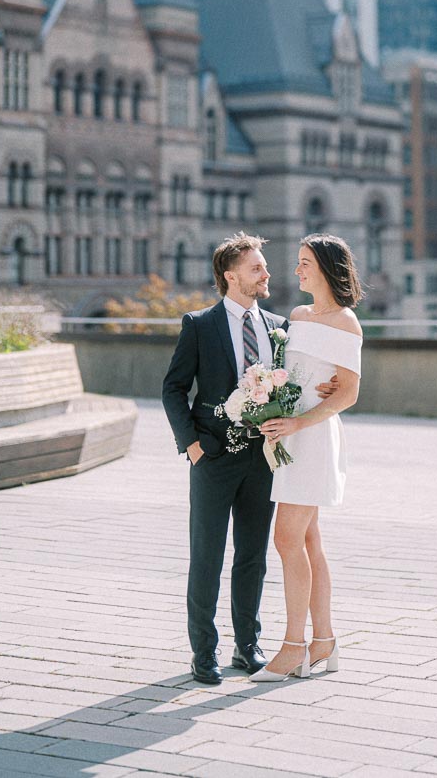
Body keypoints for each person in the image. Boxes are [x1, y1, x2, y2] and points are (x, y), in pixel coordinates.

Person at [162, 231, 336, 685]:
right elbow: (173, 388)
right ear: (231, 275)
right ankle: (204, 653)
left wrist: (326, 389)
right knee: (207, 557)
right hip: (213, 458)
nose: (267, 274)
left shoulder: (282, 326)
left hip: (263, 460)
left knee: (253, 557)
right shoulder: (199, 325)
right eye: (257, 267)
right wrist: (192, 445)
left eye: (264, 266)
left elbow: (300, 378)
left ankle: (247, 646)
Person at [251, 232, 363, 682]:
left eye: (303, 262)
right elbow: (293, 374)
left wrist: (298, 422)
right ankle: (324, 642)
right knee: (308, 541)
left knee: (286, 540)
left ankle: (293, 647)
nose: (296, 269)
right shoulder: (297, 315)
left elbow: (350, 393)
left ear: (326, 268)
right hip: (289, 434)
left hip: (312, 437)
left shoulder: (346, 322)